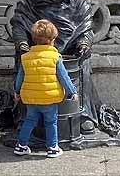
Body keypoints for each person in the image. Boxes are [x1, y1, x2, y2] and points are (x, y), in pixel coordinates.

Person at [12, 19, 77, 158]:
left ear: (33, 38)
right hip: (49, 98)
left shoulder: (26, 57)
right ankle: (52, 147)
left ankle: (21, 145)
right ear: (53, 39)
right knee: (51, 122)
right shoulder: (55, 57)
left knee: (29, 121)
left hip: (31, 98)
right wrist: (72, 92)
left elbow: (20, 78)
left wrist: (17, 92)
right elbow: (64, 77)